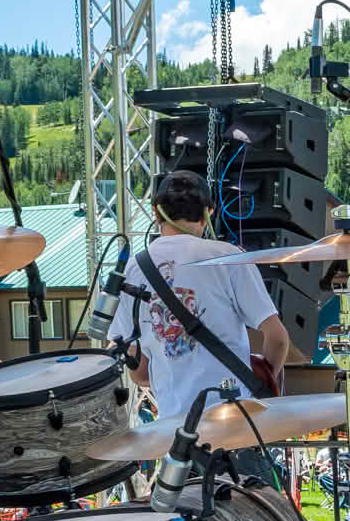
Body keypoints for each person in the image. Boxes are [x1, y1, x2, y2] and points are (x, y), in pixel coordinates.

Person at [110, 167, 295, 435]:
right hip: (237, 420)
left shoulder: (133, 270)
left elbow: (138, 372)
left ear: (155, 211)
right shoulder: (229, 258)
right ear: (209, 212)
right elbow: (277, 338)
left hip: (175, 431)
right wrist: (263, 381)